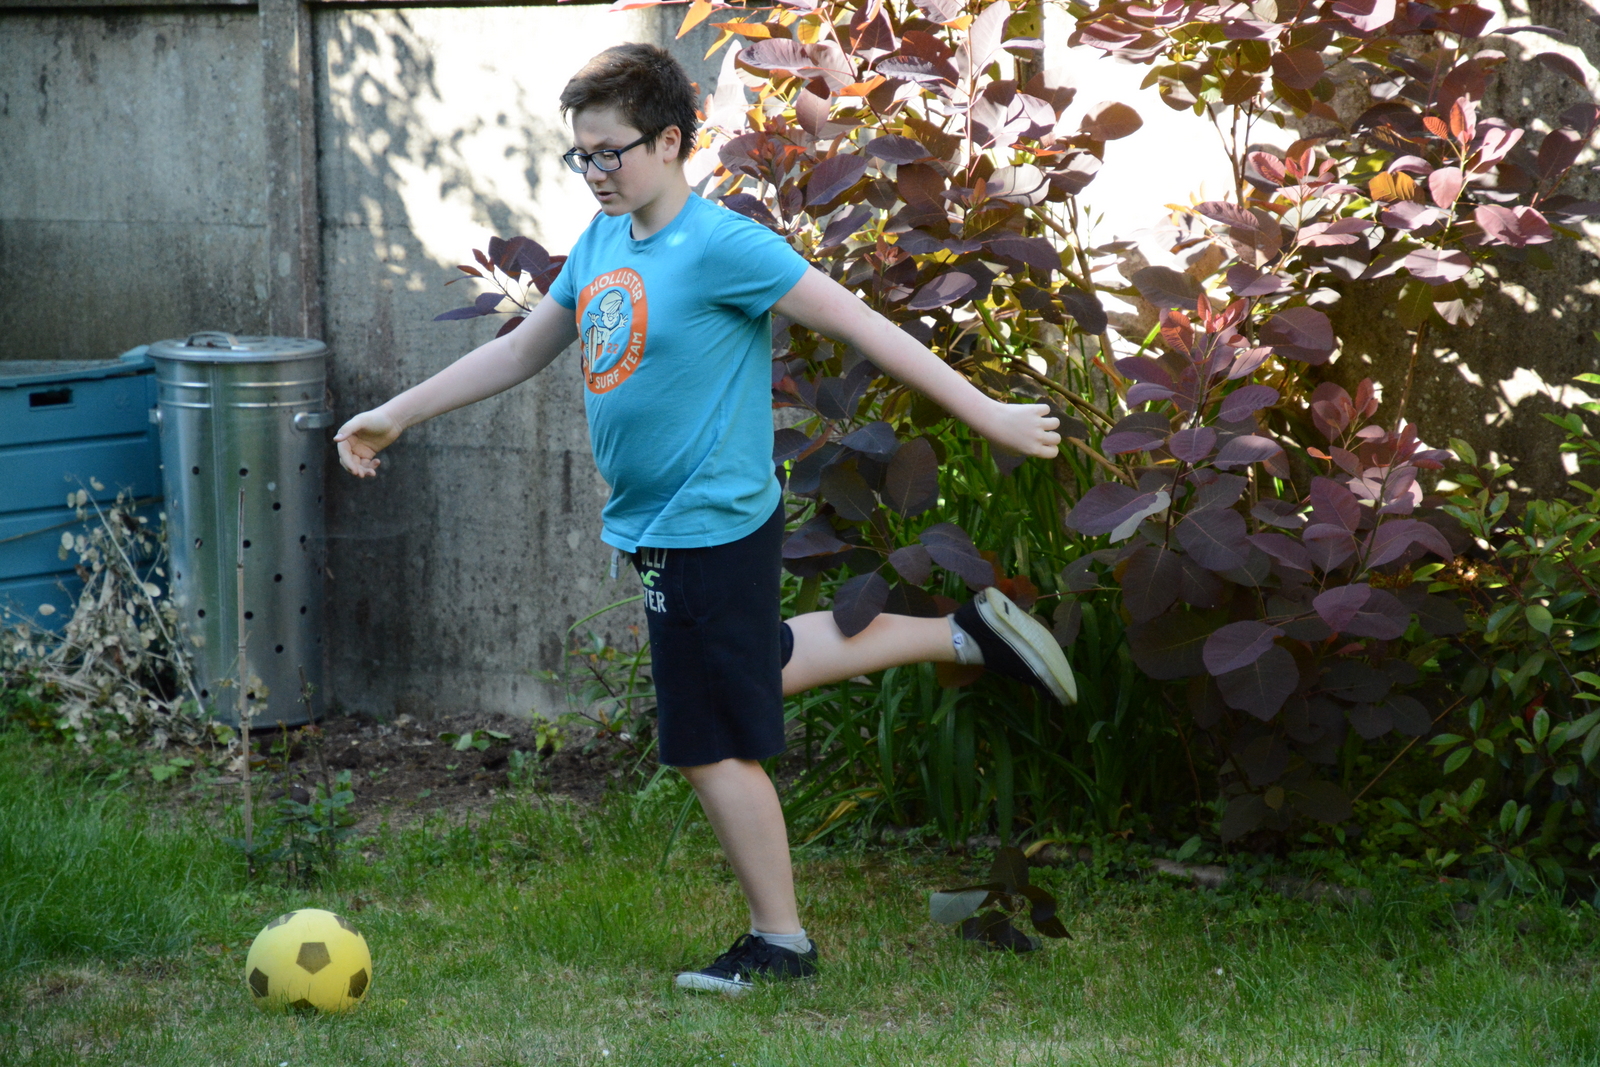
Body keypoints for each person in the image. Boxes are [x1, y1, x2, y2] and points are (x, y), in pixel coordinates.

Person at [334, 42, 1077, 995]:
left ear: (670, 140)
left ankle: (781, 943)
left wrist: (990, 413)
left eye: (612, 152)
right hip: (660, 526)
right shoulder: (601, 242)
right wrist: (398, 413)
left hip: (709, 525)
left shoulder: (723, 245)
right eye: (582, 155)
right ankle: (966, 634)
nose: (595, 172)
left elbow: (861, 323)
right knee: (756, 661)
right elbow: (520, 352)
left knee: (708, 741)